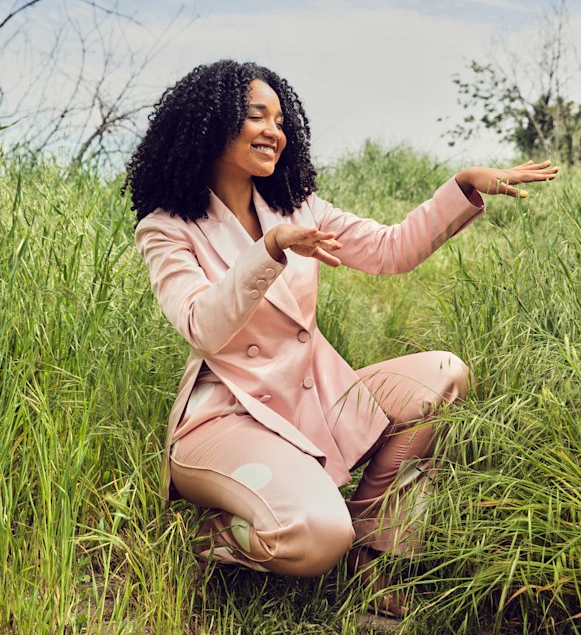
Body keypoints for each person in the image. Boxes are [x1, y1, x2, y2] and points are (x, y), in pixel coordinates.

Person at [122, 59, 558, 618]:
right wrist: (271, 249)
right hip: (227, 419)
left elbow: (390, 250)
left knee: (444, 375)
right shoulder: (167, 228)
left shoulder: (296, 207)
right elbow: (201, 327)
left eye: (281, 119)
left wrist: (463, 188)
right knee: (317, 537)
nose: (273, 131)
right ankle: (214, 539)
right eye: (256, 116)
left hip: (312, 402)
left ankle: (372, 553)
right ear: (209, 125)